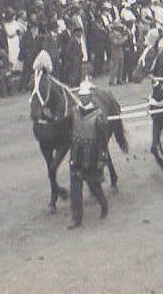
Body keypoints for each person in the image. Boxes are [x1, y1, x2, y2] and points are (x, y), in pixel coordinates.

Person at [68, 79, 109, 230]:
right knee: (75, 187)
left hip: (91, 154)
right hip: (77, 153)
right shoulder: (74, 112)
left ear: (91, 96)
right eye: (81, 96)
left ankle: (103, 204)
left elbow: (102, 140)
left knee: (94, 186)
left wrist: (101, 158)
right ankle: (76, 218)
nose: (82, 98)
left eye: (85, 96)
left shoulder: (99, 116)